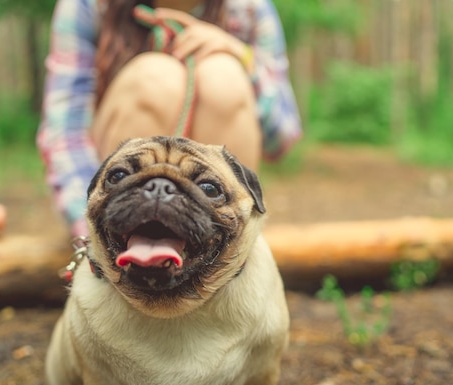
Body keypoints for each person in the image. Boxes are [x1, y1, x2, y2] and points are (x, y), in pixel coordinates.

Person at [36, 0, 303, 238]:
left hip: (210, 223)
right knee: (155, 78)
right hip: (115, 209)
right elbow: (65, 135)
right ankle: (121, 245)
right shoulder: (88, 5)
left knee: (224, 75)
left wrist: (242, 57)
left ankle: (223, 256)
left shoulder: (249, 7)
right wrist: (88, 231)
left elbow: (279, 138)